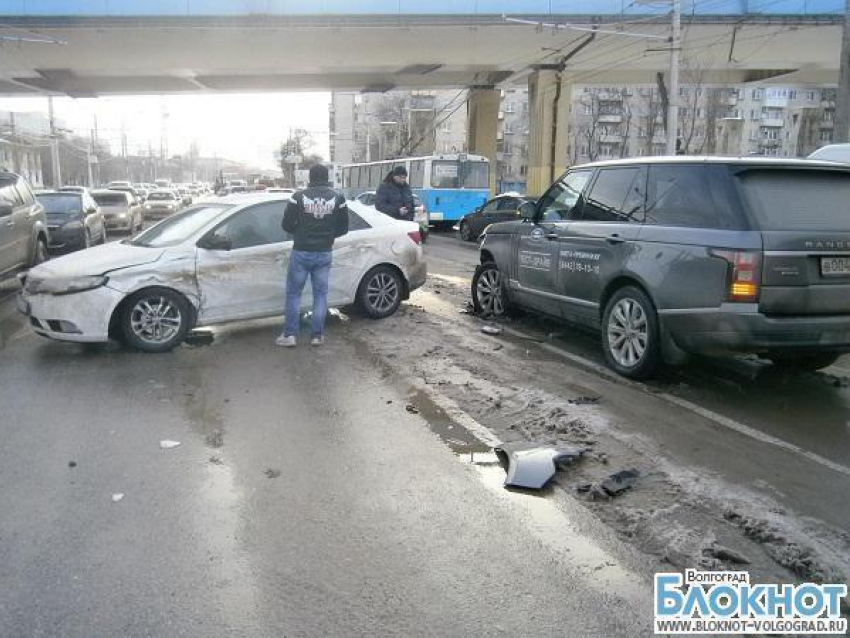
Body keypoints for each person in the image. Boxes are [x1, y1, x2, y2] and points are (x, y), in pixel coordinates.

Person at [277, 164, 349, 347]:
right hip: (324, 252)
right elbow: (344, 228)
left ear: (310, 178)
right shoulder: (338, 198)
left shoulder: (298, 197)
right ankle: (317, 336)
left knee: (294, 294)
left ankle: (290, 335)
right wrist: (328, 236)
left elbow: (286, 225)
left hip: (301, 251)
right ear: (327, 178)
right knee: (320, 295)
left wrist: (300, 233)